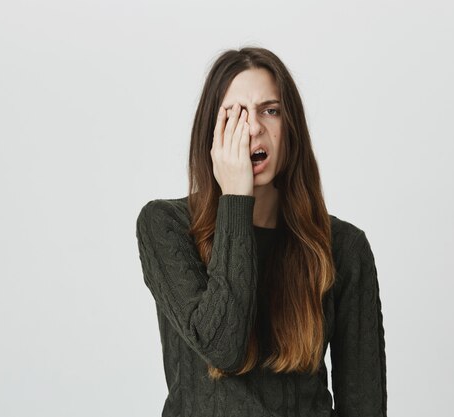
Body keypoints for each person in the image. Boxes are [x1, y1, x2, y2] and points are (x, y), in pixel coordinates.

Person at [135, 46, 387, 417]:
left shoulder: (343, 247)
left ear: (291, 129)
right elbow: (225, 348)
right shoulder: (166, 226)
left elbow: (364, 403)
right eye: (234, 114)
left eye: (270, 111)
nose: (253, 128)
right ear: (212, 131)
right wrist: (236, 198)